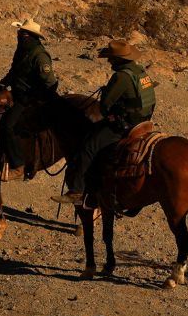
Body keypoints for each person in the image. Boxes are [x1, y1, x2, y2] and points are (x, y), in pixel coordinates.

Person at [56, 40, 156, 205]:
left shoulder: (121, 76)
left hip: (126, 123)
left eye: (111, 58)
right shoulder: (141, 72)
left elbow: (105, 105)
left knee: (89, 146)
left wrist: (112, 113)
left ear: (118, 59)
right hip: (144, 120)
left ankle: (76, 191)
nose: (109, 61)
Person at [0, 17, 59, 180]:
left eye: (22, 33)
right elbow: (14, 72)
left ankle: (18, 165)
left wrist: (34, 98)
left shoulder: (40, 55)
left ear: (29, 36)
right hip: (17, 93)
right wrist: (2, 84)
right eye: (19, 32)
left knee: (7, 126)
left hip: (29, 98)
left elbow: (50, 83)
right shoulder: (22, 50)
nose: (19, 35)